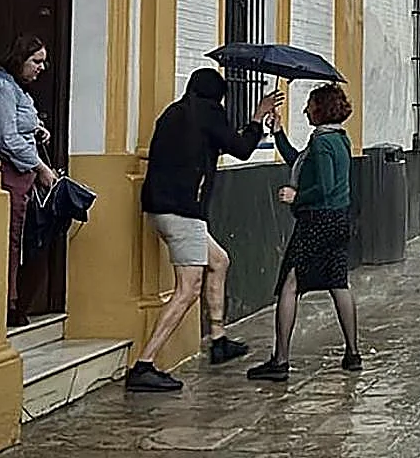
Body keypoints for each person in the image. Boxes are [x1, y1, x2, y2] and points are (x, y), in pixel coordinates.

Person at [125, 69, 282, 392]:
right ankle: (144, 364)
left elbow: (214, 143)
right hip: (184, 212)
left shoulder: (175, 112)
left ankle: (218, 338)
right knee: (187, 289)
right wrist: (257, 118)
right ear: (218, 96)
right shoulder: (209, 113)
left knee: (219, 260)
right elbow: (240, 148)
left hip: (158, 208)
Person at [247, 83, 359, 382]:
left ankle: (280, 360)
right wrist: (279, 133)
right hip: (339, 219)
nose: (305, 109)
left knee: (290, 284)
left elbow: (323, 186)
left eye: (309, 104)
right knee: (338, 282)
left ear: (321, 108)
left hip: (317, 221)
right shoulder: (338, 139)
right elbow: (300, 163)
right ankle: (352, 353)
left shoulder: (322, 143)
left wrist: (296, 197)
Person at [0, 35, 57, 328]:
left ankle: (17, 301)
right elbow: (7, 137)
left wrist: (37, 128)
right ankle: (9, 304)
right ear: (18, 58)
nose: (41, 68)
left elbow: (18, 127)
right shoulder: (4, 88)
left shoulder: (18, 91)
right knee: (12, 239)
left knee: (24, 238)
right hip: (14, 174)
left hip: (24, 175)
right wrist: (41, 167)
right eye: (36, 61)